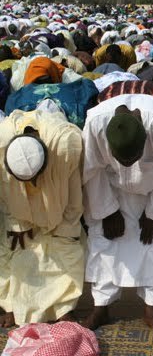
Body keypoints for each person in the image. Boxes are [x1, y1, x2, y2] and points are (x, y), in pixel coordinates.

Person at [82, 94, 153, 334]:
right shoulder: (95, 123)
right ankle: (101, 306)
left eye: (132, 158)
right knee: (103, 242)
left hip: (151, 190)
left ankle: (151, 308)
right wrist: (106, 210)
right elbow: (91, 169)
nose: (128, 163)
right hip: (109, 188)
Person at [0, 109, 85, 327]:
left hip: (59, 210)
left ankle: (63, 307)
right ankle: (12, 305)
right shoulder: (1, 146)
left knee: (65, 250)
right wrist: (16, 225)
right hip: (21, 213)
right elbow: (5, 195)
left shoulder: (65, 145)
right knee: (13, 248)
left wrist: (65, 229)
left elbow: (74, 195)